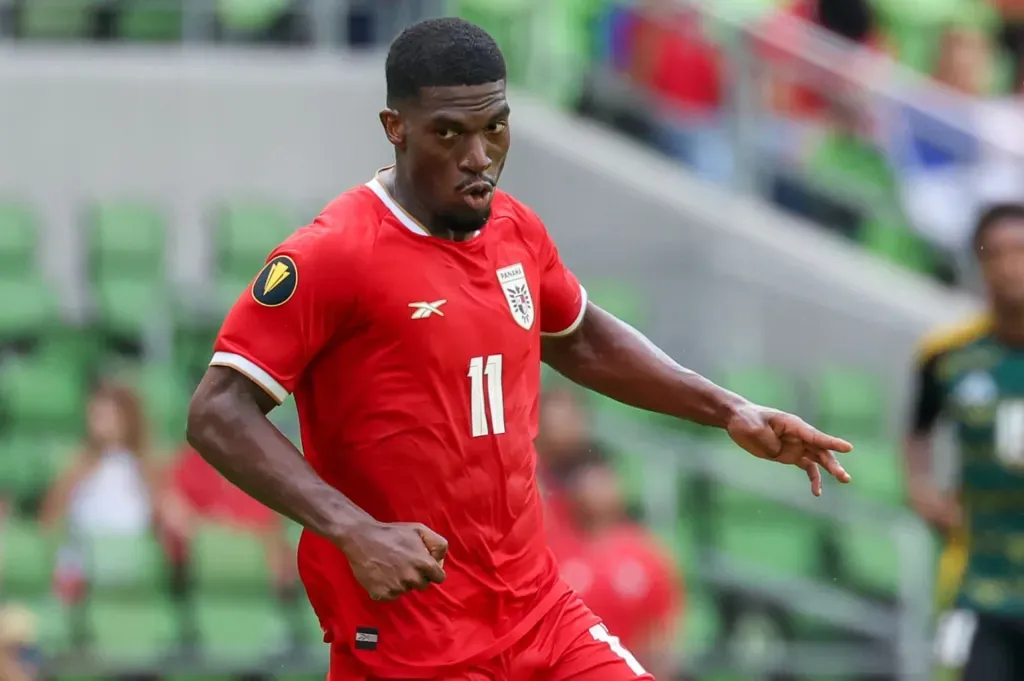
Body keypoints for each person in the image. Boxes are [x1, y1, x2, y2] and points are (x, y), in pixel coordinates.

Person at [185, 17, 853, 681]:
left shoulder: (514, 230)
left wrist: (727, 407)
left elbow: (583, 336)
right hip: (414, 638)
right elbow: (218, 410)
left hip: (537, 611)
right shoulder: (334, 253)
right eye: (450, 132)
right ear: (396, 127)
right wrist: (354, 529)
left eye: (495, 128)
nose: (479, 156)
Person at [905, 202, 1024, 680]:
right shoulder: (947, 354)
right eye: (995, 253)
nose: (1009, 264)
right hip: (977, 576)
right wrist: (922, 491)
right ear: (980, 264)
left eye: (1020, 250)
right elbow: (917, 429)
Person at [547, 460, 682, 679]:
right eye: (589, 482)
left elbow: (661, 628)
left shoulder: (645, 552)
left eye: (603, 482)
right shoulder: (555, 550)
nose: (596, 491)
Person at [41, 379, 161, 603]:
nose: (98, 424)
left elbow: (160, 514)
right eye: (95, 416)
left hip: (131, 561)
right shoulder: (77, 464)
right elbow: (51, 515)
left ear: (127, 420)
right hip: (84, 561)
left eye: (107, 417)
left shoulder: (145, 466)